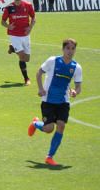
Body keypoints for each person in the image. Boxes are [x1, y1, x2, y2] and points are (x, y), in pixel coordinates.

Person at [27, 38, 83, 166]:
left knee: (61, 126)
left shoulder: (76, 67)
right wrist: (41, 88)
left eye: (72, 49)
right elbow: (39, 73)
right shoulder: (53, 61)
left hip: (63, 102)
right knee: (48, 129)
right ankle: (36, 123)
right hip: (48, 101)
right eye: (67, 48)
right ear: (63, 49)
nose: (70, 51)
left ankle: (49, 157)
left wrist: (75, 91)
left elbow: (78, 86)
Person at [1, 0, 36, 86]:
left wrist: (30, 27)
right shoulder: (8, 8)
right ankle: (26, 79)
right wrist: (8, 26)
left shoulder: (28, 5)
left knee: (27, 59)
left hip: (25, 34)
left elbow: (33, 17)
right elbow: (2, 22)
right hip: (14, 35)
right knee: (21, 57)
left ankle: (12, 48)